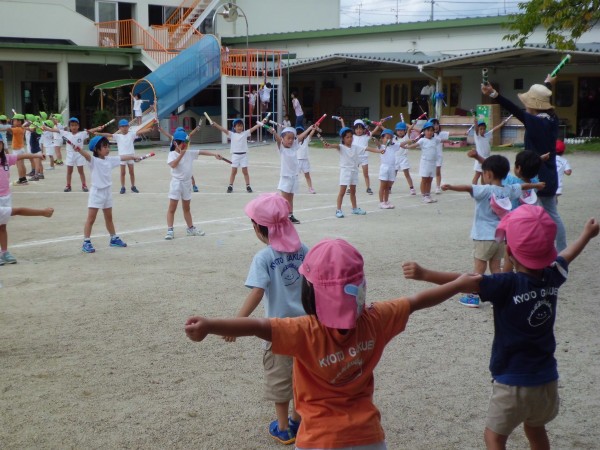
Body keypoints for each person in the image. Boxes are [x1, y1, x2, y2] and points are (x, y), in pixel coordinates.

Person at [185, 238, 481, 450]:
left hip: (317, 439)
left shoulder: (305, 331)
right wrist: (457, 284)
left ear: (310, 291)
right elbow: (417, 302)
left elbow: (258, 326)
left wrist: (210, 325)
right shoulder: (375, 319)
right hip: (368, 437)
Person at [402, 206, 599, 450]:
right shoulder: (552, 276)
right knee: (536, 428)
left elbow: (467, 281)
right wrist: (586, 236)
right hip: (547, 379)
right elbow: (567, 255)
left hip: (512, 380)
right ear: (549, 250)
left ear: (509, 251)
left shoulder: (507, 284)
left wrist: (425, 273)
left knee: (494, 437)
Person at [223, 193, 309, 445]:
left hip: (278, 331)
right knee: (303, 377)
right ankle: (297, 420)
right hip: (307, 329)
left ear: (260, 229)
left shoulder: (264, 258)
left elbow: (257, 292)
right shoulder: (304, 250)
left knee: (280, 379)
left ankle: (283, 428)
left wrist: (236, 323)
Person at [441, 154, 545, 307]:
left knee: (479, 267)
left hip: (483, 236)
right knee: (496, 268)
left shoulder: (485, 190)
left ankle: (473, 296)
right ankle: (499, 295)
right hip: (500, 237)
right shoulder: (508, 189)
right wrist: (536, 186)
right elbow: (522, 186)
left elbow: (468, 187)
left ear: (488, 174)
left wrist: (450, 187)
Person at [481, 77, 567, 251]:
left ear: (533, 105)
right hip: (549, 174)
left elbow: (516, 110)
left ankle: (536, 248)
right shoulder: (551, 118)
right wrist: (548, 83)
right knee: (550, 213)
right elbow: (538, 99)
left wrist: (494, 94)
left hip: (535, 174)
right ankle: (558, 249)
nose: (525, 105)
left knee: (533, 213)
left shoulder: (536, 122)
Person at [77, 136, 143, 254]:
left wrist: (133, 157)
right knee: (91, 219)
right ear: (97, 150)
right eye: (104, 147)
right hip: (96, 193)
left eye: (108, 146)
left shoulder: (109, 160)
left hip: (107, 192)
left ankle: (113, 238)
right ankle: (86, 242)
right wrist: (79, 150)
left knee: (109, 218)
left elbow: (122, 157)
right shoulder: (93, 161)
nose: (107, 149)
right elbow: (86, 156)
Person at [164, 130, 222, 240]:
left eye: (186, 143)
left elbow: (202, 152)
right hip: (176, 183)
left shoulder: (189, 152)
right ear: (176, 143)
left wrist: (215, 154)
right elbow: (173, 165)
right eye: (182, 143)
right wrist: (181, 155)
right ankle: (170, 230)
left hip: (187, 183)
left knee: (187, 207)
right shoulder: (172, 154)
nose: (185, 145)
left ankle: (190, 228)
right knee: (172, 208)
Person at [0, 140, 45, 264]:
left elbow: (23, 156)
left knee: (2, 226)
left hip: (6, 197)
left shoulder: (6, 159)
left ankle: (4, 252)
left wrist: (37, 155)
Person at [324, 127, 382, 218]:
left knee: (353, 191)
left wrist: (379, 151)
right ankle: (338, 210)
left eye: (351, 136)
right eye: (347, 137)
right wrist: (330, 145)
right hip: (345, 172)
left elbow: (367, 148)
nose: (350, 139)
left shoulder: (356, 147)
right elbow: (336, 145)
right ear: (343, 138)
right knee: (342, 192)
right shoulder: (341, 147)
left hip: (354, 171)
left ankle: (354, 208)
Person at [43, 117, 104, 193]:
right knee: (69, 171)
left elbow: (90, 131)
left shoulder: (82, 134)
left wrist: (98, 128)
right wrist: (46, 128)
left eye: (75, 125)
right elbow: (55, 130)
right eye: (72, 125)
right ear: (69, 127)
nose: (74, 127)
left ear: (78, 126)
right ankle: (68, 185)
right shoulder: (65, 133)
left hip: (80, 155)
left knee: (81, 171)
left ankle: (84, 185)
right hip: (70, 155)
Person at [95, 119, 154, 194]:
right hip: (122, 157)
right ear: (119, 128)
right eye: (122, 126)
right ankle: (123, 187)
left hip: (131, 156)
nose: (124, 128)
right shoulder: (117, 136)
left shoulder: (131, 134)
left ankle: (133, 186)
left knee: (131, 172)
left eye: (126, 126)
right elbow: (108, 135)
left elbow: (140, 132)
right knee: (123, 173)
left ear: (128, 127)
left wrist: (148, 130)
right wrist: (99, 133)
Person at [270, 125, 314, 224]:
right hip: (285, 177)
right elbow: (277, 140)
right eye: (288, 138)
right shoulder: (281, 148)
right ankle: (281, 216)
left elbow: (301, 136)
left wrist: (310, 128)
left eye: (292, 138)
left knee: (290, 198)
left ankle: (290, 215)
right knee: (283, 199)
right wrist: (274, 132)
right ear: (283, 139)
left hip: (294, 177)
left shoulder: (294, 147)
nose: (290, 140)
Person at [400, 120, 449, 203]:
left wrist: (451, 141)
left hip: (432, 163)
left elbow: (442, 140)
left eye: (431, 130)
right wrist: (407, 147)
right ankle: (424, 196)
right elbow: (414, 145)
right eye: (427, 130)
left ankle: (428, 194)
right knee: (424, 179)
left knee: (430, 179)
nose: (429, 132)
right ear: (424, 131)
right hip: (425, 163)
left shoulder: (435, 139)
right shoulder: (422, 140)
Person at [211, 118, 263, 193]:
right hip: (235, 156)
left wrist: (261, 122)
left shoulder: (245, 133)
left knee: (245, 172)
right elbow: (223, 129)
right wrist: (215, 124)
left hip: (244, 156)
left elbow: (254, 128)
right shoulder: (232, 134)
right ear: (234, 127)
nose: (240, 127)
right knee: (233, 172)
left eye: (241, 126)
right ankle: (230, 186)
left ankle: (248, 185)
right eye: (238, 126)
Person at [156, 123, 202, 192]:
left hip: (183, 155)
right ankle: (194, 185)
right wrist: (196, 128)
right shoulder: (178, 138)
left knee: (186, 171)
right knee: (185, 171)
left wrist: (161, 129)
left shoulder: (183, 138)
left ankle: (194, 185)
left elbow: (167, 134)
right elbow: (191, 134)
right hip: (176, 155)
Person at [471, 116, 511, 185]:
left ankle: (484, 189)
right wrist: (475, 121)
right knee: (477, 175)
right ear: (478, 129)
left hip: (486, 159)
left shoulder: (487, 135)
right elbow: (476, 128)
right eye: (480, 129)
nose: (482, 130)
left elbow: (495, 129)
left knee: (484, 175)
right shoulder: (477, 137)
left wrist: (502, 124)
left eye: (483, 129)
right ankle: (474, 189)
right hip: (479, 159)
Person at [377, 129, 399, 209]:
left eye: (390, 138)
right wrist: (376, 140)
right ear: (382, 138)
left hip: (391, 168)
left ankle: (386, 201)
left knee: (387, 186)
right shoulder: (382, 147)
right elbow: (378, 144)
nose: (388, 139)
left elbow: (402, 144)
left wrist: (411, 140)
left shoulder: (394, 147)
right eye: (386, 137)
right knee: (382, 186)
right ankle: (381, 202)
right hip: (384, 168)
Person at [393, 121, 416, 195]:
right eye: (398, 130)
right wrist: (380, 126)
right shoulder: (394, 138)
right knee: (394, 174)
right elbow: (386, 131)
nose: (400, 132)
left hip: (403, 158)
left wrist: (413, 124)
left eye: (402, 130)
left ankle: (412, 188)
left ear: (404, 131)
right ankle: (389, 188)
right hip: (395, 158)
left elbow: (410, 129)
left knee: (407, 174)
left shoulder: (406, 137)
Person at [8, 113, 29, 185]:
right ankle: (24, 179)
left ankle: (21, 179)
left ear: (19, 122)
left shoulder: (17, 129)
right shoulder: (22, 128)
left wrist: (7, 125)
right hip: (21, 148)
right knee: (22, 164)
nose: (13, 122)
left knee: (19, 165)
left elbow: (9, 129)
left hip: (17, 149)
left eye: (14, 120)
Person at [295, 125, 317, 194]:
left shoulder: (306, 140)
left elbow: (310, 134)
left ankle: (310, 188)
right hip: (297, 160)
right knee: (295, 175)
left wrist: (314, 129)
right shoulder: (295, 142)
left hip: (305, 160)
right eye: (298, 134)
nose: (300, 135)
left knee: (307, 175)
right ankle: (293, 188)